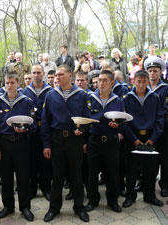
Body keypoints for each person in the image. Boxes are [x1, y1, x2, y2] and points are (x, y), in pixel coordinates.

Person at [41, 65, 89, 223]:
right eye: (56, 75)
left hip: (75, 140)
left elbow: (87, 118)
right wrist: (46, 144)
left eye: (61, 74)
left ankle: (79, 207)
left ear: (70, 76)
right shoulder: (51, 95)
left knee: (76, 175)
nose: (57, 77)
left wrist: (82, 130)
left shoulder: (82, 95)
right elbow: (46, 121)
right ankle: (54, 208)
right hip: (57, 140)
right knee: (57, 176)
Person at [0, 73, 36, 222]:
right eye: (7, 83)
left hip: (21, 142)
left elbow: (34, 124)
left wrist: (26, 129)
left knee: (23, 177)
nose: (9, 85)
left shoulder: (27, 102)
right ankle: (8, 206)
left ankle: (25, 207)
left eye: (12, 82)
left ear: (18, 83)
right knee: (6, 178)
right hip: (5, 144)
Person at [122, 70, 164, 208]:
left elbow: (159, 118)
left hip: (150, 137)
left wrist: (153, 138)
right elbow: (125, 121)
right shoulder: (127, 98)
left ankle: (149, 196)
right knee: (131, 169)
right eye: (138, 81)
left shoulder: (155, 97)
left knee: (150, 169)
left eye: (144, 81)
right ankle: (130, 196)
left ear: (148, 82)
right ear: (134, 81)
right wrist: (133, 139)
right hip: (133, 137)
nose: (141, 84)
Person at [85, 69, 125, 214]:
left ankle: (112, 200)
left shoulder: (118, 100)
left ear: (112, 83)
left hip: (111, 141)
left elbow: (122, 120)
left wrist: (118, 125)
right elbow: (86, 118)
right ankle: (92, 199)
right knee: (92, 172)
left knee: (112, 172)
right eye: (99, 80)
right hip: (94, 140)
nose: (101, 83)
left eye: (105, 80)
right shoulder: (89, 98)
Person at [22, 64, 53, 201]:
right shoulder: (25, 92)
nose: (36, 75)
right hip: (30, 131)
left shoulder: (50, 91)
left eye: (38, 72)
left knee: (46, 160)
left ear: (43, 73)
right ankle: (32, 188)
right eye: (33, 72)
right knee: (31, 160)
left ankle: (46, 187)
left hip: (46, 130)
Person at [145, 57, 168, 198]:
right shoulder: (142, 87)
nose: (152, 73)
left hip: (164, 128)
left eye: (155, 71)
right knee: (149, 157)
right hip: (148, 128)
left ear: (160, 72)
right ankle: (146, 183)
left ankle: (164, 184)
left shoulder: (165, 89)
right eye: (150, 71)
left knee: (165, 157)